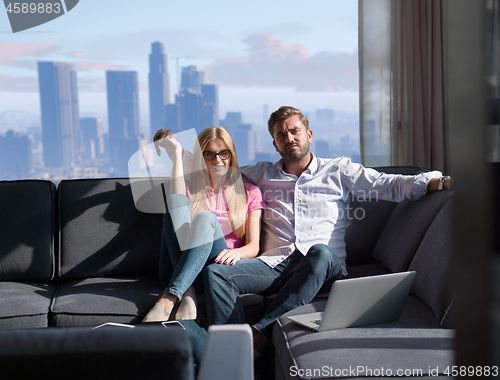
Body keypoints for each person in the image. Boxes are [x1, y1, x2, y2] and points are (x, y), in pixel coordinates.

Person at [198, 106, 452, 355]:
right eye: (281, 135)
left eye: (294, 131)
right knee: (217, 274)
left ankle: (261, 333)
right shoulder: (261, 173)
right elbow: (218, 171)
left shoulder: (338, 170)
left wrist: (438, 182)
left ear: (308, 135)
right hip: (275, 265)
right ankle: (229, 355)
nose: (289, 138)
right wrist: (177, 160)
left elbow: (386, 183)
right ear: (274, 144)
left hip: (325, 268)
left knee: (320, 252)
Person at [142, 126, 264, 323]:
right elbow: (176, 205)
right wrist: (175, 153)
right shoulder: (192, 189)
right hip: (178, 266)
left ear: (231, 155)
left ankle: (172, 296)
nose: (218, 160)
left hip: (216, 268)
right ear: (202, 159)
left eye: (223, 153)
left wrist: (237, 253)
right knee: (175, 201)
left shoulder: (250, 192)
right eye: (210, 155)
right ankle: (186, 290)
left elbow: (254, 247)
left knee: (206, 218)